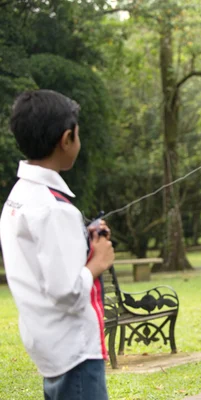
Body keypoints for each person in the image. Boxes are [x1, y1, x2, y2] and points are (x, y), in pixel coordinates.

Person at [0, 90, 115, 400]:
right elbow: (66, 291)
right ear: (67, 138)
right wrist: (97, 262)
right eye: (77, 134)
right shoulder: (55, 209)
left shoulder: (19, 196)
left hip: (49, 348)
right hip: (74, 353)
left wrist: (82, 238)